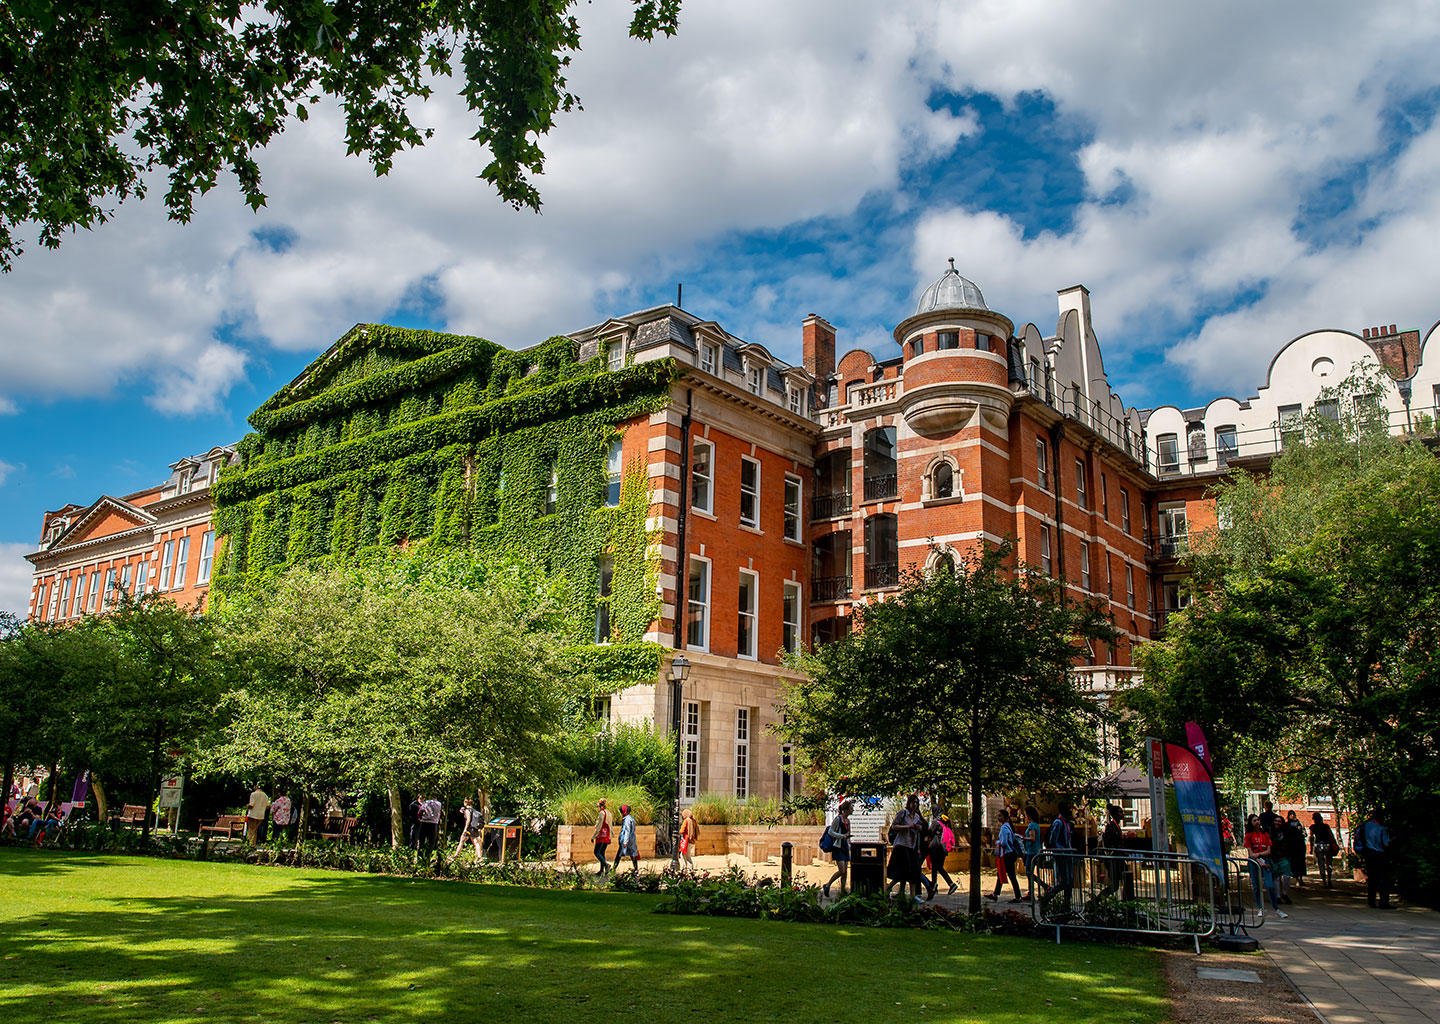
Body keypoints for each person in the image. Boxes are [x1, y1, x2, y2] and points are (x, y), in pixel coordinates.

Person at [1243, 813, 1288, 918]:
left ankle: (1276, 908)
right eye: (1254, 820)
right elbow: (1250, 853)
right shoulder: (1249, 835)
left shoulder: (1265, 834)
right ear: (1251, 823)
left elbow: (1268, 850)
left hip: (1265, 861)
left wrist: (1259, 854)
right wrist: (1256, 856)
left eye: (1258, 820)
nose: (1257, 822)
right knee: (1256, 885)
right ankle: (1260, 907)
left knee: (1270, 885)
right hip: (1254, 862)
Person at [886, 794, 926, 902]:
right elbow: (894, 826)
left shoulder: (917, 817)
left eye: (917, 803)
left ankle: (912, 896)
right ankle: (888, 889)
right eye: (913, 802)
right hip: (901, 845)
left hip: (911, 846)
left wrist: (918, 829)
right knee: (901, 872)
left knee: (913, 872)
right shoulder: (903, 814)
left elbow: (919, 832)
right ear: (909, 803)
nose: (915, 805)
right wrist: (907, 827)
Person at [1039, 801, 1076, 915]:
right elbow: (1053, 840)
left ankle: (1067, 905)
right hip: (1061, 856)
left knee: (1069, 881)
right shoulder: (1058, 823)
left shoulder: (1067, 823)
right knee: (1064, 881)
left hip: (1068, 855)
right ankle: (1047, 898)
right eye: (1069, 808)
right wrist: (1059, 851)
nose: (1071, 811)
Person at [1354, 810, 1393, 909]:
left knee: (1372, 878)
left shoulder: (1364, 826)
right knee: (1383, 878)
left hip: (1368, 854)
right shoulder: (1382, 828)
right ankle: (1384, 901)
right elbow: (1386, 843)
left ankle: (1371, 901)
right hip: (1380, 854)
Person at [988, 808, 1023, 903]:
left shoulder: (1004, 828)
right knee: (1002, 874)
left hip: (1006, 854)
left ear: (1005, 817)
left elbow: (1003, 842)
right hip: (1011, 853)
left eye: (1000, 816)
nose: (998, 818)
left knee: (1009, 875)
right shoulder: (1008, 827)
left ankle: (1017, 896)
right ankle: (996, 894)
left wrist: (998, 842)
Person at [1097, 804, 1131, 900]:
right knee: (1115, 885)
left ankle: (1127, 901)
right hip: (1114, 859)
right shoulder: (1111, 827)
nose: (1122, 814)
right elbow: (1109, 843)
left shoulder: (1115, 826)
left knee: (1125, 880)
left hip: (1118, 858)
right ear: (1115, 814)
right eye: (1120, 812)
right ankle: (1095, 901)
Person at [822, 800, 853, 898]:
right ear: (846, 809)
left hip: (844, 846)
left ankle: (843, 890)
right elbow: (831, 832)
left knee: (845, 872)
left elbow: (847, 834)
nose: (852, 810)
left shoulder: (848, 821)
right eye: (851, 808)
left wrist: (848, 840)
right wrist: (841, 836)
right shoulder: (838, 819)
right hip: (837, 846)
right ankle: (827, 885)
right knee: (842, 870)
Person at [927, 813, 957, 897]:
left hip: (935, 848)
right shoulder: (945, 824)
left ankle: (948, 884)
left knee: (936, 867)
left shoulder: (935, 822)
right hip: (943, 850)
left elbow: (929, 833)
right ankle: (935, 886)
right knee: (937, 867)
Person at [1309, 812, 1337, 889]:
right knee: (1329, 863)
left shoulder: (1313, 827)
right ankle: (1329, 880)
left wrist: (1311, 849)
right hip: (1327, 845)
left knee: (1321, 863)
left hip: (1318, 846)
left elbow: (1311, 838)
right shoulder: (1326, 826)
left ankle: (1324, 881)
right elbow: (1331, 835)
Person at [1022, 805, 1043, 901]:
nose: (1025, 817)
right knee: (1030, 872)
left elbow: (1032, 838)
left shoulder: (1031, 826)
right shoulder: (1036, 825)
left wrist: (1023, 838)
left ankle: (1043, 886)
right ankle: (1030, 892)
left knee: (1028, 872)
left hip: (1031, 851)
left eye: (1025, 815)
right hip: (1036, 850)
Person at [1284, 811, 1309, 888]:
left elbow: (1305, 833)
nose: (1292, 816)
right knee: (1294, 863)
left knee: (1301, 863)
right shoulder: (1287, 825)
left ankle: (1300, 879)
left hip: (1300, 846)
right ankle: (1297, 879)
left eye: (1293, 814)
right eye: (1290, 814)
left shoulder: (1300, 823)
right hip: (1291, 847)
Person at [616, 804, 639, 875]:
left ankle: (613, 869)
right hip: (632, 839)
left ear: (624, 812)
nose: (621, 813)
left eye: (621, 812)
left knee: (618, 855)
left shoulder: (627, 820)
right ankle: (636, 870)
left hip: (626, 840)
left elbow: (627, 830)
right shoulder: (631, 818)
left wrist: (625, 842)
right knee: (633, 855)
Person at [592, 798, 612, 876]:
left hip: (601, 836)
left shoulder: (601, 813)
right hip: (607, 835)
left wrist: (593, 836)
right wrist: (610, 836)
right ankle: (601, 871)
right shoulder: (609, 813)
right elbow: (610, 826)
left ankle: (606, 865)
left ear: (600, 806)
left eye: (598, 807)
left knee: (596, 852)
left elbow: (599, 827)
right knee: (602, 853)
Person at [679, 807, 698, 871]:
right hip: (692, 841)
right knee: (687, 855)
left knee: (684, 855)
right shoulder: (694, 821)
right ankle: (688, 868)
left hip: (687, 840)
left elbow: (682, 830)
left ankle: (687, 868)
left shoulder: (686, 820)